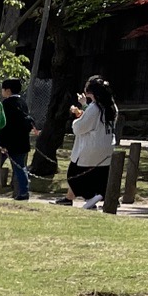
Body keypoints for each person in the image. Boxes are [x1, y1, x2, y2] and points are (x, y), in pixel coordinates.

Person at [54, 75, 117, 208]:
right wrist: (84, 106)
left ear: (90, 92)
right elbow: (94, 121)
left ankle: (92, 198)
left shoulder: (94, 109)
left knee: (74, 175)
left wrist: (77, 117)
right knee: (99, 175)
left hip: (90, 148)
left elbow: (79, 128)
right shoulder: (111, 106)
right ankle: (73, 198)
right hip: (106, 148)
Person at [0, 78, 35, 201]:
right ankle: (24, 191)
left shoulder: (7, 104)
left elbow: (4, 125)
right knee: (20, 167)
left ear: (8, 90)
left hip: (9, 142)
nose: (2, 91)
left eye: (3, 89)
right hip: (22, 141)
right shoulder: (22, 103)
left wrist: (2, 143)